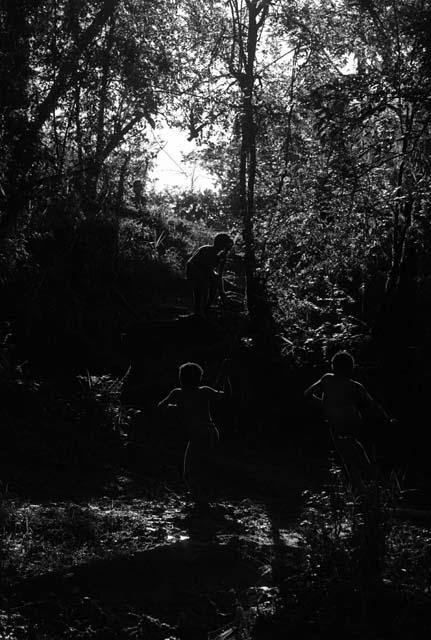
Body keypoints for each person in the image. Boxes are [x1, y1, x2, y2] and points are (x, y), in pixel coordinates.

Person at [304, 351, 395, 489]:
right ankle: (377, 483)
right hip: (353, 421)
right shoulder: (355, 385)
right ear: (351, 368)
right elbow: (373, 405)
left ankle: (363, 489)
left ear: (333, 366)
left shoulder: (327, 379)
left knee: (348, 458)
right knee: (356, 449)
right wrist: (388, 420)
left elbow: (308, 393)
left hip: (336, 423)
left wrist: (325, 405)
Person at [158, 361, 231, 505]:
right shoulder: (204, 391)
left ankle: (201, 501)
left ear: (181, 378)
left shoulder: (177, 393)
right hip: (211, 434)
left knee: (189, 472)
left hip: (198, 436)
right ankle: (204, 499)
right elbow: (227, 395)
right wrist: (226, 378)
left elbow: (160, 407)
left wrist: (173, 408)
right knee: (203, 469)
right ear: (199, 378)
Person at [186, 233, 234, 317]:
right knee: (202, 286)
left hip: (205, 271)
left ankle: (206, 307)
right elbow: (190, 264)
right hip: (194, 270)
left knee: (214, 280)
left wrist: (222, 292)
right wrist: (202, 276)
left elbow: (220, 275)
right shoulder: (206, 249)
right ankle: (198, 310)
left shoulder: (222, 256)